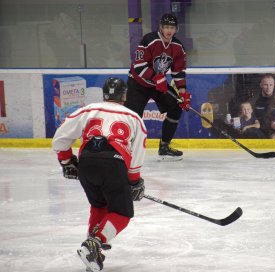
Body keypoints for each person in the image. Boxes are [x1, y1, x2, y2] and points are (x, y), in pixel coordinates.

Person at [52, 77, 147, 272]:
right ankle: (95, 243)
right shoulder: (134, 117)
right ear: (125, 95)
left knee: (99, 204)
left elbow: (60, 138)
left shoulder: (88, 110)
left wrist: (66, 161)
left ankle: (92, 251)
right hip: (114, 164)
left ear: (104, 94)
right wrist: (134, 182)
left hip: (86, 162)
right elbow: (137, 153)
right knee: (122, 213)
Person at [124, 13, 191, 161]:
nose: (169, 30)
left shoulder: (178, 46)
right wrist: (156, 77)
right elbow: (139, 66)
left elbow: (178, 72)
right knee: (133, 117)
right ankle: (124, 148)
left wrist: (182, 93)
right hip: (138, 83)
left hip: (157, 84)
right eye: (166, 27)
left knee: (176, 106)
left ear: (176, 29)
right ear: (161, 27)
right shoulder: (149, 40)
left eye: (172, 27)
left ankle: (164, 147)